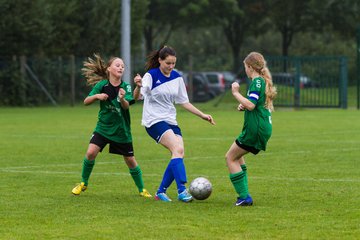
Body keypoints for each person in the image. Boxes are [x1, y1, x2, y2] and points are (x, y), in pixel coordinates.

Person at [133, 46, 215, 202]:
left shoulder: (177, 77)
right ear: (160, 60)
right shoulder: (151, 75)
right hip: (154, 121)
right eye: (168, 63)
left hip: (171, 120)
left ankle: (160, 192)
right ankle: (182, 190)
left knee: (179, 152)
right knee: (177, 149)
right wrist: (138, 86)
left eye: (173, 63)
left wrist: (202, 115)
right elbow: (137, 97)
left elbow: (184, 102)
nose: (171, 67)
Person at [71, 53, 152, 198]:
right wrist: (97, 96)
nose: (121, 68)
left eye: (122, 66)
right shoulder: (102, 85)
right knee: (90, 153)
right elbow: (86, 101)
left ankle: (142, 189)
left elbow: (127, 106)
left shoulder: (125, 87)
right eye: (117, 65)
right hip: (103, 128)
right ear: (109, 69)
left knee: (130, 161)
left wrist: (122, 99)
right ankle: (83, 183)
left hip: (121, 130)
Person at [225, 52, 277, 206]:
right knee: (238, 157)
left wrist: (235, 93)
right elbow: (253, 104)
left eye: (245, 67)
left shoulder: (257, 82)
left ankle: (244, 197)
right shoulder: (260, 81)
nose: (245, 71)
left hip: (256, 129)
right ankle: (244, 194)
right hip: (260, 127)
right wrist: (245, 105)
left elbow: (251, 105)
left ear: (250, 67)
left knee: (230, 157)